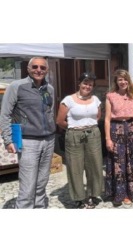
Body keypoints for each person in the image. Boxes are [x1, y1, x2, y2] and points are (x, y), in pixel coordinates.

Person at [0, 57, 55, 208]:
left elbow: (50, 112)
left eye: (42, 68)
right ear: (28, 69)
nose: (39, 70)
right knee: (28, 185)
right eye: (35, 67)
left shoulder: (49, 88)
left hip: (49, 140)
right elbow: (5, 114)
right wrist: (8, 140)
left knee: (42, 182)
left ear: (47, 70)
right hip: (28, 141)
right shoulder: (16, 86)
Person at [56, 72, 103, 209]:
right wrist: (74, 128)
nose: (87, 86)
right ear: (79, 83)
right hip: (74, 135)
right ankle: (79, 197)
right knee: (75, 167)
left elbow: (97, 117)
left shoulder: (96, 100)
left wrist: (88, 127)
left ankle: (93, 194)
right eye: (85, 83)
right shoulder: (68, 100)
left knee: (94, 165)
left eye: (90, 84)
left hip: (93, 134)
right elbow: (60, 121)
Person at [104, 69, 133, 207]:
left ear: (128, 81)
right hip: (116, 129)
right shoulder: (110, 96)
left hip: (131, 130)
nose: (123, 82)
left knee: (131, 161)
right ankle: (118, 193)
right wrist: (108, 138)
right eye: (120, 79)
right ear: (116, 82)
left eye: (125, 79)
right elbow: (107, 119)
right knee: (118, 162)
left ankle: (131, 192)